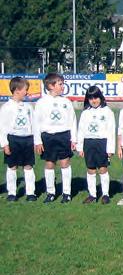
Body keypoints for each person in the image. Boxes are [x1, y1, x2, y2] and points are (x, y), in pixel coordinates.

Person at [34, 72, 77, 203]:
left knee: (65, 163)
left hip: (63, 136)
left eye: (62, 84)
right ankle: (51, 192)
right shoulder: (41, 102)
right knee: (49, 164)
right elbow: (36, 123)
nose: (63, 86)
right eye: (60, 84)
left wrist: (74, 139)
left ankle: (66, 193)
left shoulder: (66, 102)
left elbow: (73, 121)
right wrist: (38, 141)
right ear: (51, 86)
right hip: (48, 137)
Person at [0, 76, 38, 201]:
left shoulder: (28, 107)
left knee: (28, 166)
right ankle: (12, 193)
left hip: (27, 139)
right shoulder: (6, 107)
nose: (27, 92)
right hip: (13, 140)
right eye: (25, 90)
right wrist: (5, 144)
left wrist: (36, 141)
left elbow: (34, 124)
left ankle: (30, 193)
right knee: (12, 166)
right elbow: (2, 127)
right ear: (17, 90)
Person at [76, 85, 115, 204]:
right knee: (91, 169)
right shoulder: (85, 113)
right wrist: (80, 147)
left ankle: (105, 194)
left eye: (96, 97)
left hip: (102, 143)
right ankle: (92, 195)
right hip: (88, 143)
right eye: (91, 98)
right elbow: (81, 130)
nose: (94, 101)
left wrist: (110, 149)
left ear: (101, 97)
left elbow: (111, 131)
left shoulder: (107, 111)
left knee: (102, 168)